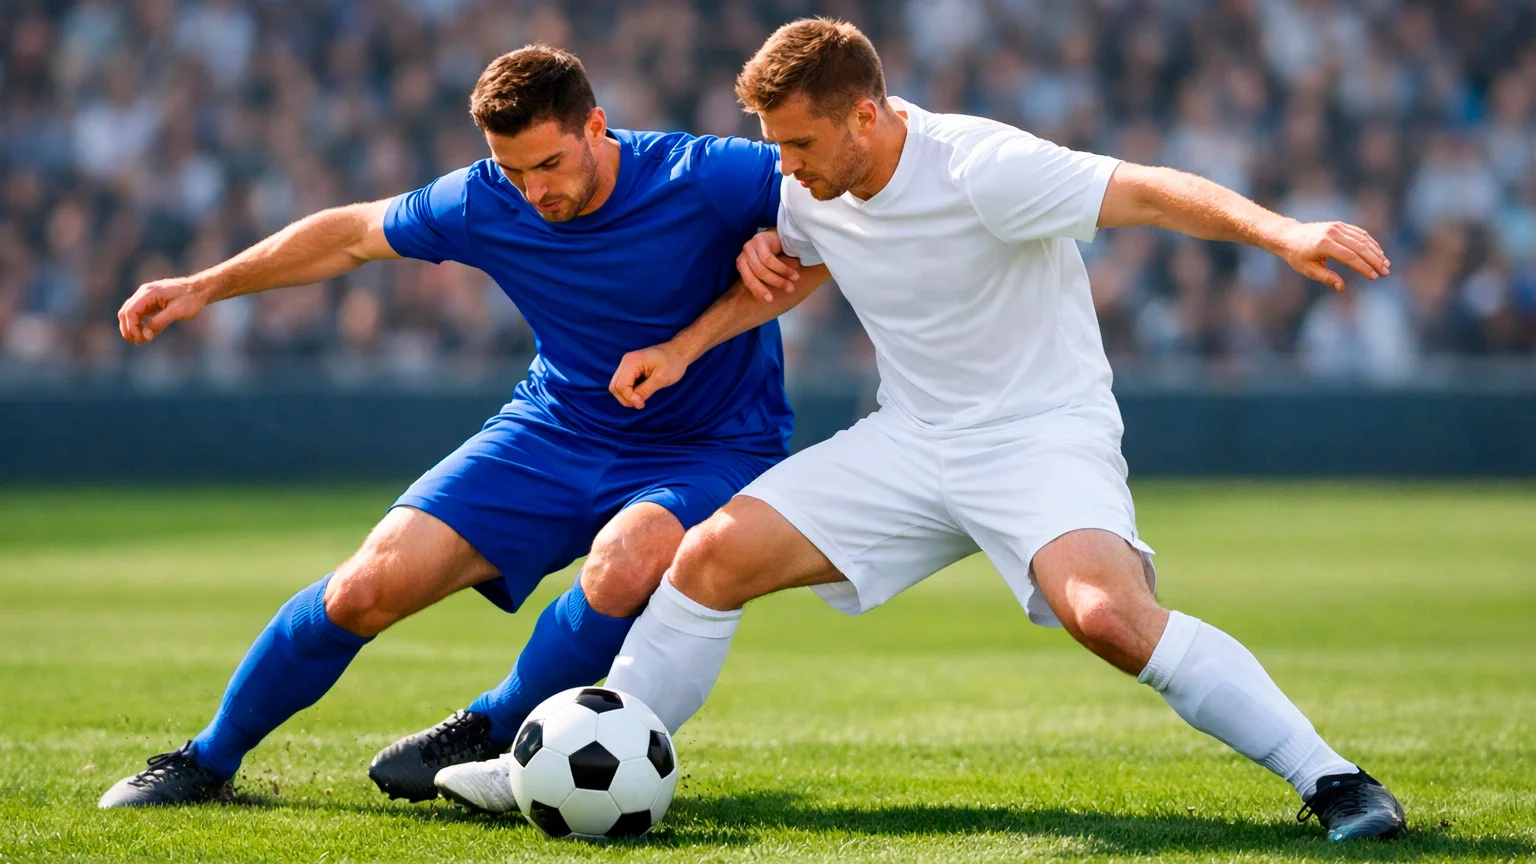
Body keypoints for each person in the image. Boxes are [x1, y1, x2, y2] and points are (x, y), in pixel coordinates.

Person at [600, 18, 1406, 842]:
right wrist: (680, 348)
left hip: (1039, 435)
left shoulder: (985, 167)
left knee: (1110, 619)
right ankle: (600, 754)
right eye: (776, 144)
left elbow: (1151, 189)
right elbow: (803, 265)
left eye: (800, 142)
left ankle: (1337, 782)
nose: (786, 164)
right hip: (909, 438)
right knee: (708, 557)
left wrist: (1284, 230)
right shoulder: (812, 183)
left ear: (866, 117)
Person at [98, 44, 791, 808]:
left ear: (597, 127)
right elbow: (354, 234)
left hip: (713, 445)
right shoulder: (484, 198)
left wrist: (785, 238)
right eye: (512, 168)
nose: (533, 190)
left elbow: (844, 206)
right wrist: (204, 285)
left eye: (550, 165)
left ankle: (484, 730)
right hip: (557, 426)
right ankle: (206, 760)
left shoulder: (706, 175)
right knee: (366, 587)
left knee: (627, 563)